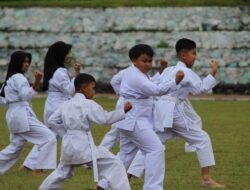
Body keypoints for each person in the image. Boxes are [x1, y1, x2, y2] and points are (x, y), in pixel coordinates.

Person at [127, 38, 225, 188]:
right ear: (183, 55)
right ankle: (206, 178)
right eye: (193, 53)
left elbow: (156, 84)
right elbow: (201, 89)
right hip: (172, 112)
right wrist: (213, 72)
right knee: (202, 138)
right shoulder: (185, 71)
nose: (195, 56)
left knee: (153, 143)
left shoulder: (168, 70)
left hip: (160, 110)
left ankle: (128, 175)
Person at [39, 73, 132, 190]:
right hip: (83, 147)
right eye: (93, 88)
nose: (94, 91)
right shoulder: (88, 104)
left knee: (62, 172)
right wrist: (123, 111)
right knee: (115, 163)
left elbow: (52, 120)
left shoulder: (66, 104)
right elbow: (105, 119)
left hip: (68, 146)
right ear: (83, 88)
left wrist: (66, 134)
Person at [115, 44, 184, 190]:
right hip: (135, 120)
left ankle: (103, 186)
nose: (147, 64)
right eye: (144, 61)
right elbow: (155, 90)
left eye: (149, 61)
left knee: (125, 156)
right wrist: (175, 81)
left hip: (130, 119)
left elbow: (151, 83)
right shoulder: (135, 75)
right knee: (156, 150)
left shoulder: (134, 72)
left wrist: (161, 72)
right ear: (134, 60)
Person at [21, 41, 80, 172]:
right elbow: (70, 90)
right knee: (70, 134)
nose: (69, 56)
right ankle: (83, 160)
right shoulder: (60, 71)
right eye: (67, 53)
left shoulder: (53, 69)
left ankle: (28, 165)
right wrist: (77, 75)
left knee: (49, 136)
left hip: (52, 105)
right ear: (61, 54)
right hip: (58, 107)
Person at [0, 51, 56, 176]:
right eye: (24, 61)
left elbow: (2, 100)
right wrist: (37, 81)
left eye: (28, 62)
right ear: (17, 62)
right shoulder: (19, 77)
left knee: (14, 149)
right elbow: (25, 95)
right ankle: (39, 169)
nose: (27, 64)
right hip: (21, 115)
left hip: (13, 115)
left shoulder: (8, 80)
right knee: (49, 137)